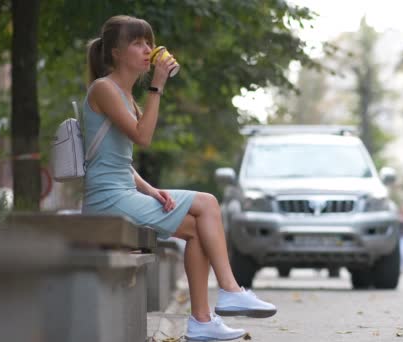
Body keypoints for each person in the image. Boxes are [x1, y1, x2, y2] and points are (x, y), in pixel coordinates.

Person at [81, 15, 275, 341]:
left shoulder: (125, 96)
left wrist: (151, 189)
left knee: (199, 230)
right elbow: (143, 138)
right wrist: (158, 84)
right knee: (208, 203)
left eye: (149, 42)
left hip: (122, 190)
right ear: (115, 52)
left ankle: (201, 321)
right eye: (138, 43)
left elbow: (118, 161)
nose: (148, 49)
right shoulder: (104, 89)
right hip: (107, 198)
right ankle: (229, 289)